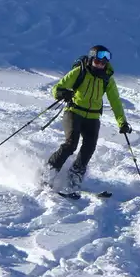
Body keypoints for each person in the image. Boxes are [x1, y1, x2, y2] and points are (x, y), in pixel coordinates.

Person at [42, 45, 132, 191]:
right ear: (91, 60)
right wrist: (62, 93)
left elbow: (115, 101)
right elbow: (57, 88)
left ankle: (74, 176)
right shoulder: (80, 72)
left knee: (89, 147)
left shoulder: (107, 79)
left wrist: (122, 122)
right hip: (74, 112)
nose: (101, 65)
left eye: (103, 63)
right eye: (97, 61)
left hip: (93, 117)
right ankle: (48, 174)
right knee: (71, 144)